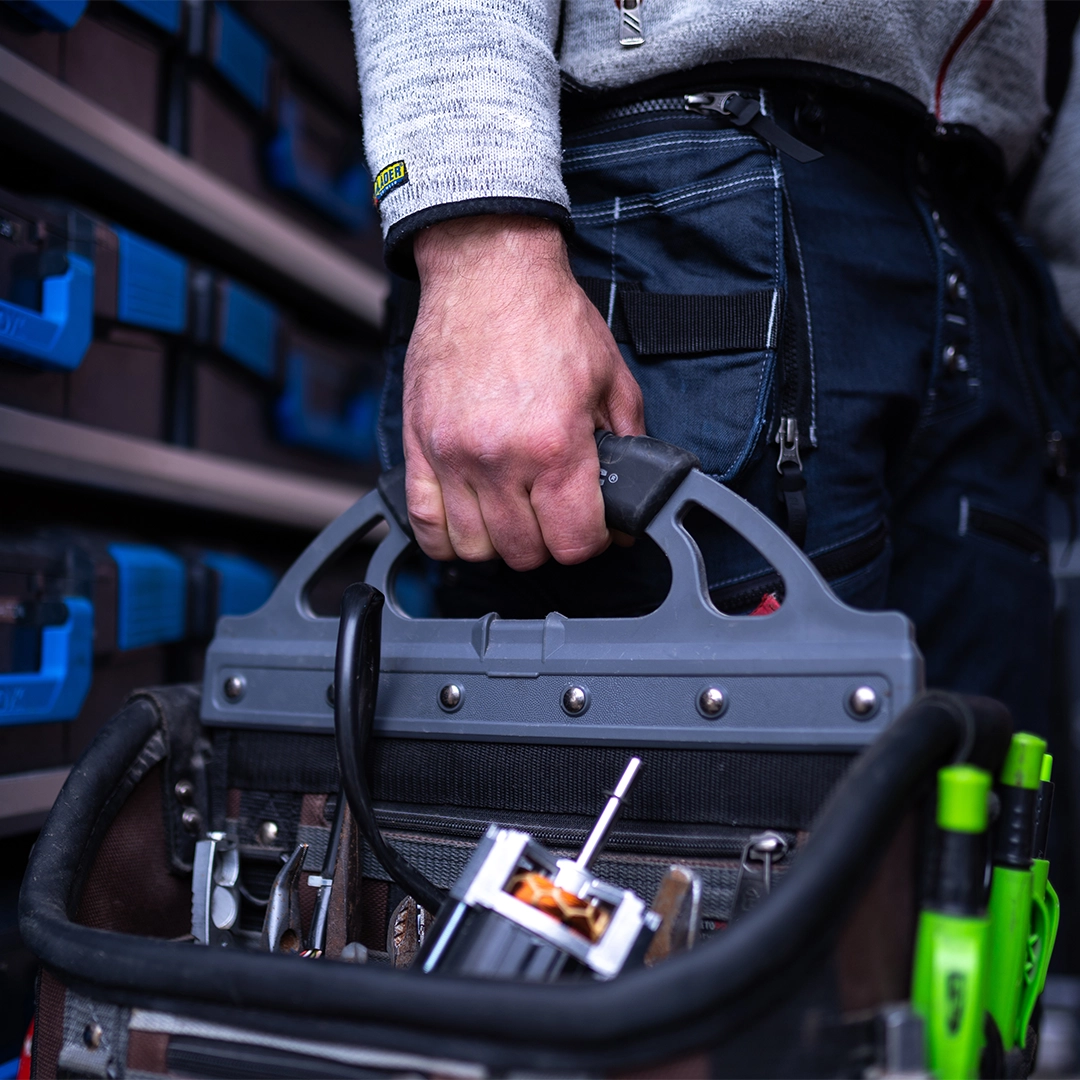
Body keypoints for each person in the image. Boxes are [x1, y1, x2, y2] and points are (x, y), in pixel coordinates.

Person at [351, 0, 1080, 735]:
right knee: (652, 816)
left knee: (972, 801)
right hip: (692, 187)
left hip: (984, 244)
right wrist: (481, 239)